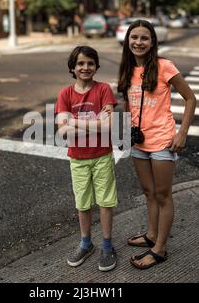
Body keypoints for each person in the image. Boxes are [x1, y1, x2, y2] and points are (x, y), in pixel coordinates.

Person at [117, 20, 196, 269]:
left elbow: (191, 98)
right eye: (134, 37)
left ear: (152, 42)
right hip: (139, 141)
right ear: (128, 40)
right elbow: (128, 104)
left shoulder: (164, 66)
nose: (138, 42)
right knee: (149, 192)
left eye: (144, 38)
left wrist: (182, 133)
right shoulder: (127, 69)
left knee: (163, 195)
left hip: (162, 140)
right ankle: (151, 235)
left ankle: (160, 249)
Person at [55, 46, 118, 272]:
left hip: (102, 156)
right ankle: (86, 242)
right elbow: (62, 133)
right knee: (82, 203)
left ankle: (107, 245)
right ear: (73, 67)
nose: (85, 67)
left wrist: (73, 122)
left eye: (90, 63)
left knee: (105, 202)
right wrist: (96, 125)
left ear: (96, 66)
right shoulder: (65, 94)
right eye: (81, 63)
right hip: (78, 158)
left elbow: (109, 125)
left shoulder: (103, 90)